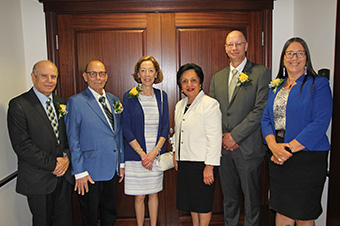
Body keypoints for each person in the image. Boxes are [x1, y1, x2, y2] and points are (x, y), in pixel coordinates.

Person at [261, 37, 333, 226]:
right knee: (282, 209)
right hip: (278, 156)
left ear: (306, 58)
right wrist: (273, 146)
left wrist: (287, 150)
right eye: (290, 53)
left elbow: (320, 123)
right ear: (283, 58)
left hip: (307, 158)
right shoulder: (276, 86)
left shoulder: (319, 84)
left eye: (300, 53)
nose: (295, 57)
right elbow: (266, 119)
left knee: (303, 214)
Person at [209, 30, 271, 226]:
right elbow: (213, 112)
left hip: (248, 148)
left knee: (252, 200)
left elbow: (260, 110)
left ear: (246, 46)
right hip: (224, 150)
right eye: (230, 45)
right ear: (225, 49)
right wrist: (221, 138)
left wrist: (234, 137)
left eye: (238, 44)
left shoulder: (261, 73)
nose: (234, 48)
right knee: (229, 200)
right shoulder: (217, 77)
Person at [7, 60, 73, 226]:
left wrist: (67, 158)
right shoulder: (19, 105)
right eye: (44, 76)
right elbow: (22, 145)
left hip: (64, 177)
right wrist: (53, 164)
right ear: (33, 77)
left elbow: (70, 137)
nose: (49, 80)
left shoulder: (61, 102)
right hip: (38, 180)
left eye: (53, 77)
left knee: (64, 221)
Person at [64, 60, 124, 226]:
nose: (98, 77)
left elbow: (118, 134)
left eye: (102, 73)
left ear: (106, 76)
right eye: (93, 73)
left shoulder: (114, 100)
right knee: (89, 217)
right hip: (89, 172)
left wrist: (122, 162)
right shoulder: (75, 102)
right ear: (85, 76)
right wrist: (79, 171)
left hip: (112, 169)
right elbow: (73, 139)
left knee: (110, 214)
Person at [122, 56, 169, 226]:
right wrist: (143, 155)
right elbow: (126, 128)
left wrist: (154, 153)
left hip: (155, 155)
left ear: (156, 73)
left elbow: (165, 127)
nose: (147, 74)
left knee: (154, 194)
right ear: (138, 74)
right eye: (143, 70)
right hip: (137, 156)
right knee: (140, 195)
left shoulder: (162, 96)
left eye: (151, 70)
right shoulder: (129, 96)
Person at [173, 63, 222, 226]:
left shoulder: (210, 104)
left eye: (193, 80)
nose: (189, 85)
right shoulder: (179, 106)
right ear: (180, 85)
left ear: (200, 83)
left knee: (203, 203)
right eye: (184, 81)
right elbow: (177, 133)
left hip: (202, 164)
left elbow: (214, 138)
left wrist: (210, 166)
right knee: (191, 202)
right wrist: (175, 153)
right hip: (185, 162)